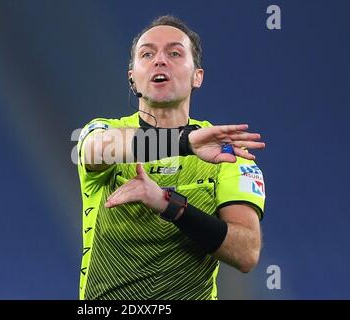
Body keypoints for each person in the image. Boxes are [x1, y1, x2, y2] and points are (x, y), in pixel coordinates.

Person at [76, 15, 266, 300]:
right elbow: (97, 149)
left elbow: (246, 252)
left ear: (197, 76)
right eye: (147, 54)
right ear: (132, 78)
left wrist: (169, 204)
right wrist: (184, 142)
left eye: (175, 53)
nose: (159, 60)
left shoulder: (227, 152)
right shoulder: (103, 131)